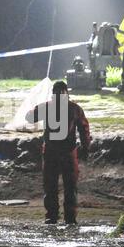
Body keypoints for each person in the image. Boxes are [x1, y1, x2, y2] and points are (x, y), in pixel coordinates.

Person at [25, 81, 92, 225]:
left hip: (51, 152)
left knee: (51, 186)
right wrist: (85, 148)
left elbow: (29, 117)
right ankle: (70, 217)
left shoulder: (47, 107)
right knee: (70, 186)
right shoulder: (75, 109)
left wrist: (35, 106)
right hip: (68, 153)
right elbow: (84, 130)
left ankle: (52, 216)